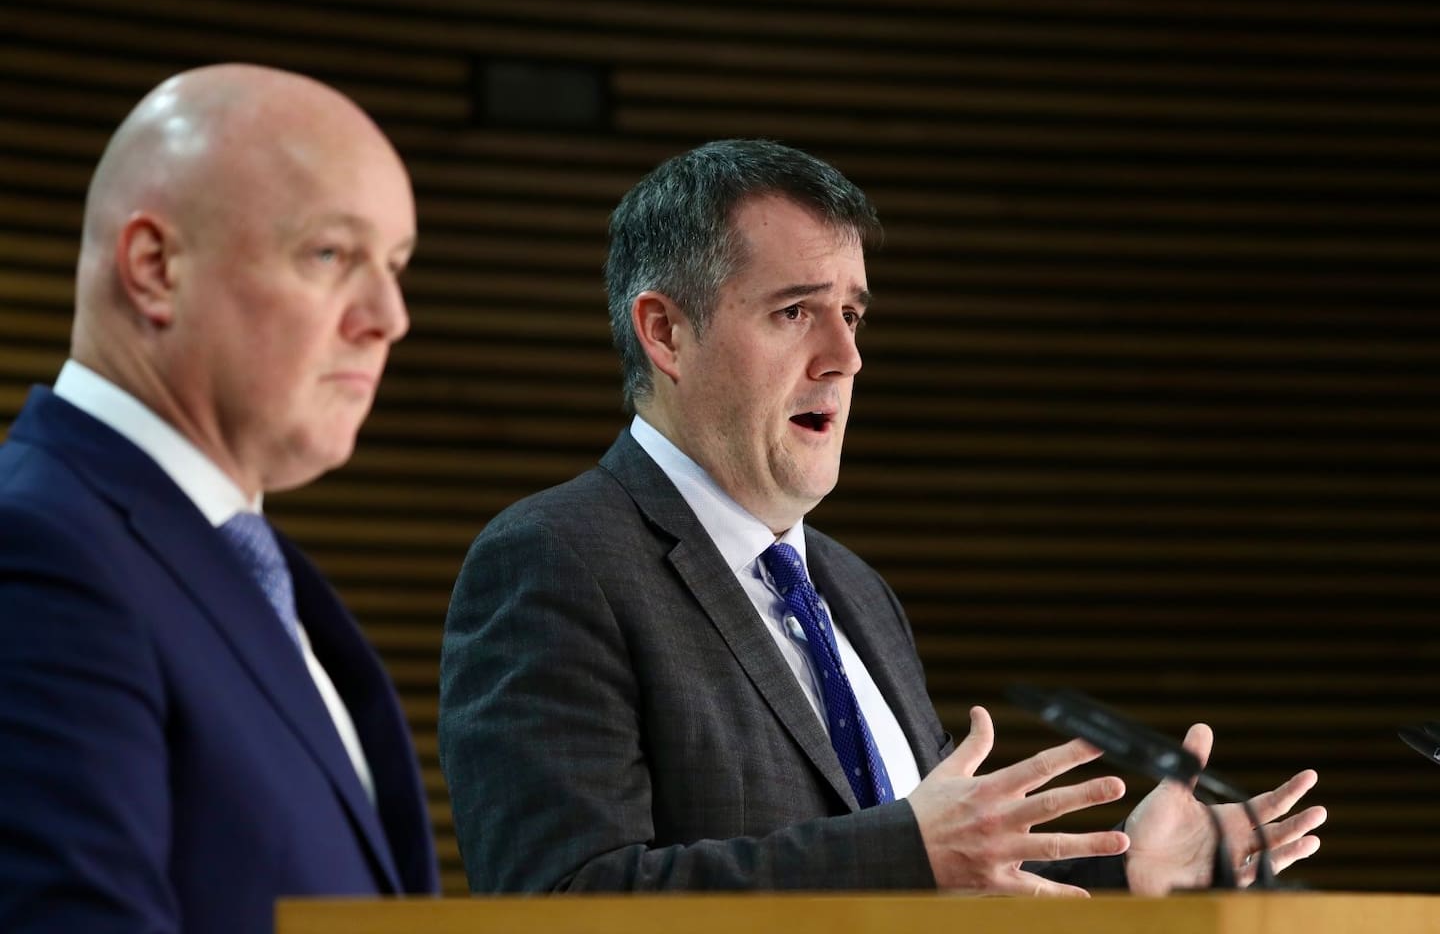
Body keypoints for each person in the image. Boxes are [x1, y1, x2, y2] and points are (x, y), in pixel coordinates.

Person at [438, 139, 1325, 895]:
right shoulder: (554, 558)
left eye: (853, 313)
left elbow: (952, 874)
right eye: (796, 312)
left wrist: (1127, 867)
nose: (847, 357)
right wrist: (904, 849)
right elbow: (561, 898)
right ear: (665, 333)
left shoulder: (856, 591)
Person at [0, 64, 438, 933]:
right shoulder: (39, 549)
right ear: (155, 267)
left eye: (393, 265)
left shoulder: (247, 565)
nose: (389, 316)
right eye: (331, 253)